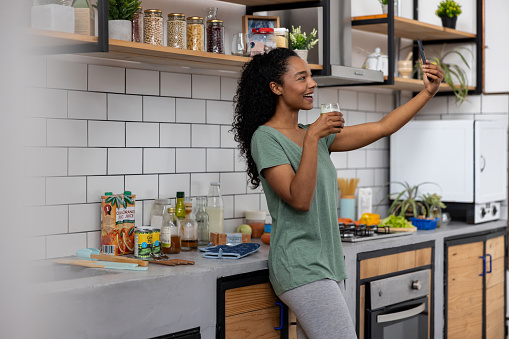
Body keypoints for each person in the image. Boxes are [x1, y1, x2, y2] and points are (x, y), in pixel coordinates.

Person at [231, 48, 443, 339]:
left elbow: (383, 127)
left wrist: (427, 93)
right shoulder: (266, 138)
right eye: (302, 77)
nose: (312, 84)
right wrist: (314, 137)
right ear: (276, 87)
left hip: (329, 264)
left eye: (311, 76)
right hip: (300, 267)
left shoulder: (312, 134)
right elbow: (300, 199)